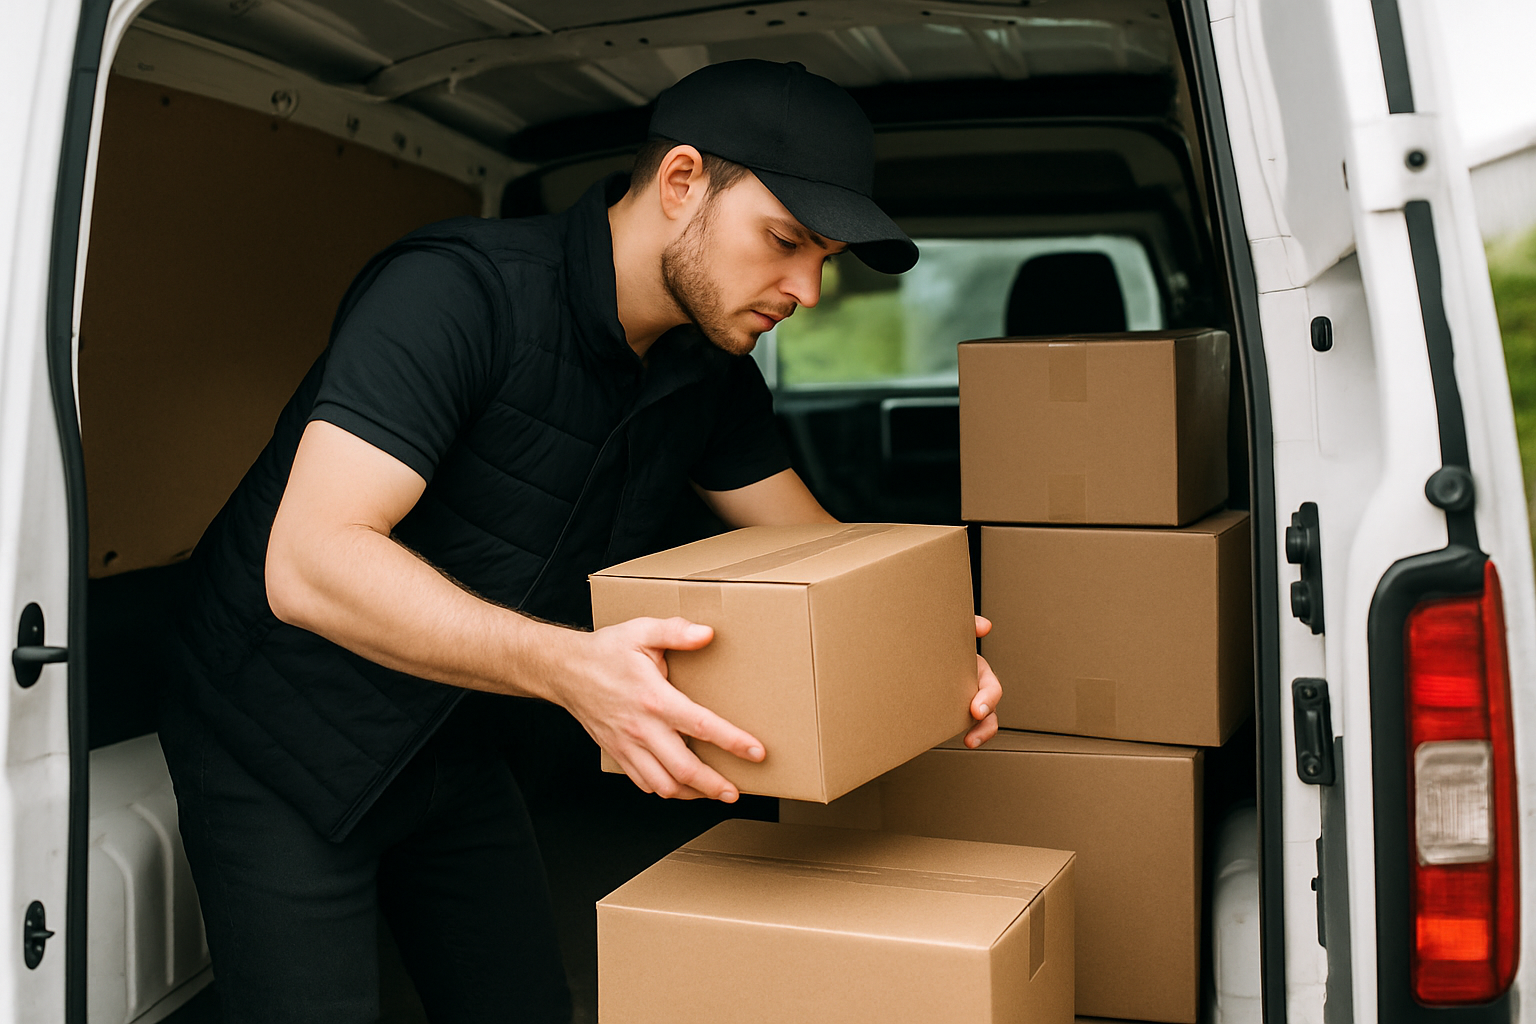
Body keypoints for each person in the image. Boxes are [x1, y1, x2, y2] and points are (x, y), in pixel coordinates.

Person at [162, 59, 1003, 1023]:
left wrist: (933, 656)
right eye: (785, 242)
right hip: (277, 733)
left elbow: (819, 555)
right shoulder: (454, 292)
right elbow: (309, 563)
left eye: (825, 260)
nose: (807, 289)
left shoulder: (708, 372)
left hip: (458, 737)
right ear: (682, 182)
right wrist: (574, 670)